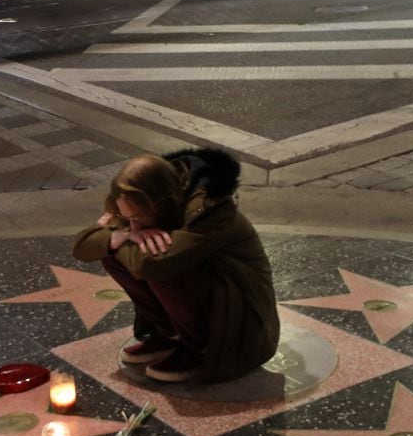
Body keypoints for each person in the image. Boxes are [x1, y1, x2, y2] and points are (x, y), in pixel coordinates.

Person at [73, 149, 279, 383]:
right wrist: (121, 235)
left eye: (137, 218)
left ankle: (199, 347)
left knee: (159, 264)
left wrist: (124, 237)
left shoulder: (211, 208)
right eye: (127, 218)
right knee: (112, 252)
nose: (133, 224)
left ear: (159, 203)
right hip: (208, 294)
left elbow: (153, 266)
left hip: (241, 319)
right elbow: (82, 245)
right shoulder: (134, 197)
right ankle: (169, 335)